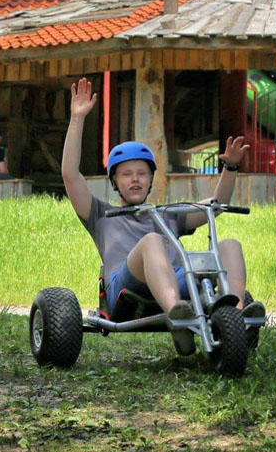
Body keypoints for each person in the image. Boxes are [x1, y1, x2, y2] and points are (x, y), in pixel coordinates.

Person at [61, 76, 264, 337]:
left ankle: (234, 316)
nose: (135, 179)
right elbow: (69, 175)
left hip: (179, 282)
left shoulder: (168, 215)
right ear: (114, 181)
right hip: (127, 290)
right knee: (151, 241)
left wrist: (231, 167)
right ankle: (176, 315)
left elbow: (216, 205)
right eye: (126, 174)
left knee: (230, 245)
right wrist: (77, 119)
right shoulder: (100, 214)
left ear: (150, 180)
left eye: (142, 173)